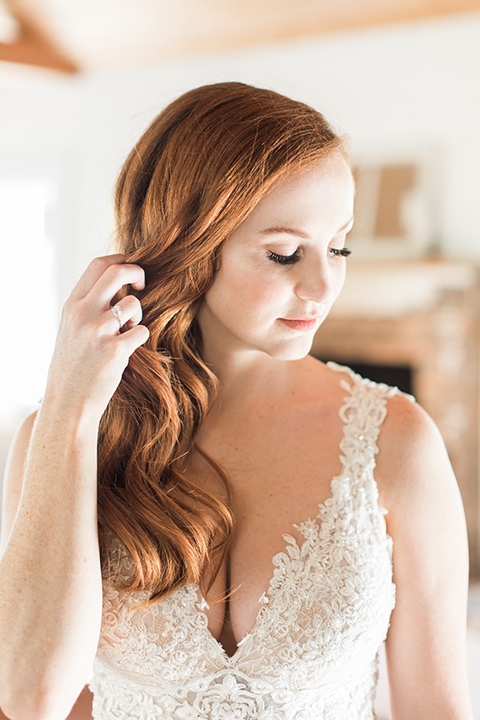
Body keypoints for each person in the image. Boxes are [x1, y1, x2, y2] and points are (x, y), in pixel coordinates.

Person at [0, 82, 473, 720]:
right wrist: (70, 410)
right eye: (284, 254)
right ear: (186, 248)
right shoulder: (61, 438)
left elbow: (436, 710)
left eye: (339, 246)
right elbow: (30, 699)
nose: (324, 284)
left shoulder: (394, 441)